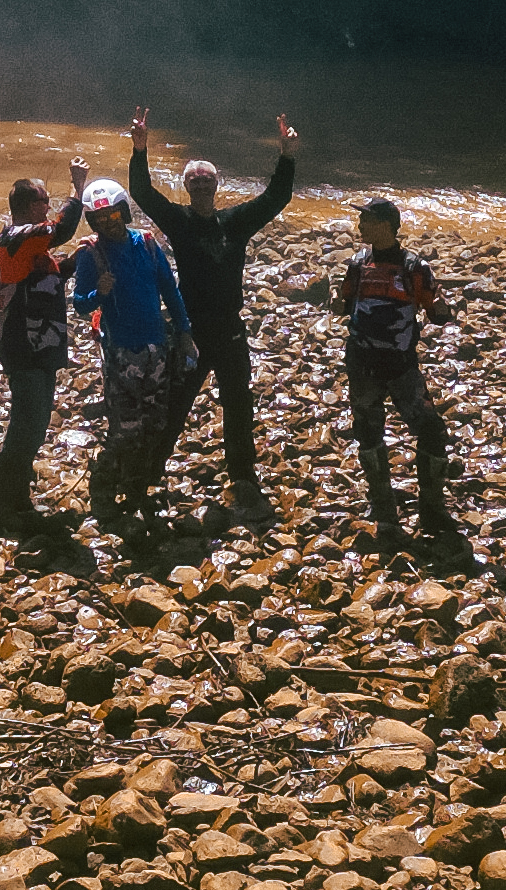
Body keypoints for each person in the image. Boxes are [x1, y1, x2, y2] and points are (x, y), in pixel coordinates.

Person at [125, 108, 297, 528]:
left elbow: (276, 198)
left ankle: (242, 477)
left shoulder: (234, 223)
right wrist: (140, 149)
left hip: (230, 329)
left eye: (206, 181)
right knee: (176, 403)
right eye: (194, 182)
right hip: (189, 331)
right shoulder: (180, 223)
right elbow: (143, 193)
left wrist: (287, 156)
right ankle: (147, 475)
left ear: (217, 186)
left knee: (239, 405)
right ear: (186, 188)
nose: (201, 186)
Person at [321, 197, 463, 557]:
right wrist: (330, 301)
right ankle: (384, 509)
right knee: (368, 432)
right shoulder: (357, 263)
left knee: (430, 430)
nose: (360, 225)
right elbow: (343, 304)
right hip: (362, 363)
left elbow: (435, 311)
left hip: (400, 366)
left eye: (366, 219)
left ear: (386, 225)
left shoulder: (414, 266)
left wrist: (447, 310)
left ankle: (431, 509)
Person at [65, 178, 193, 543]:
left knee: (155, 421)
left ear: (124, 211)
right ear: (92, 221)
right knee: (125, 425)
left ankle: (138, 485)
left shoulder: (147, 246)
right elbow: (80, 304)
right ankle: (105, 488)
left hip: (155, 346)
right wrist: (96, 292)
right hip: (120, 349)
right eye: (100, 218)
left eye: (112, 214)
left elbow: (170, 291)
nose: (108, 222)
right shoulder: (91, 254)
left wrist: (184, 333)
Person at [0, 158, 89, 540]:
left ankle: (17, 497)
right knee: (27, 423)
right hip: (22, 343)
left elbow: (56, 272)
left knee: (37, 422)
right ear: (31, 206)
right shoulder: (16, 237)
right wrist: (78, 190)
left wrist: (84, 255)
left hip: (41, 343)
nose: (49, 206)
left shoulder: (32, 246)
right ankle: (0, 497)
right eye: (46, 200)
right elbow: (60, 230)